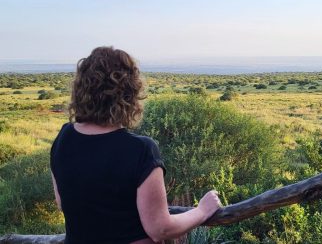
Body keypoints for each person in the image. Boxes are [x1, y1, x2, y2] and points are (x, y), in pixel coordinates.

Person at [50, 46, 221, 244]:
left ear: (80, 89)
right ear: (129, 93)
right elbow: (160, 229)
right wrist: (203, 211)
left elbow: (63, 203)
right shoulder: (140, 150)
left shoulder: (64, 137)